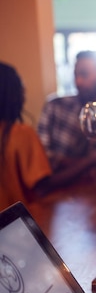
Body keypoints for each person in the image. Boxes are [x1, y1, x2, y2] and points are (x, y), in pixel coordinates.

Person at [37, 50, 96, 179]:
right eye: (75, 75)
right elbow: (41, 158)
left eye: (84, 74)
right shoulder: (55, 106)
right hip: (57, 192)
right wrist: (88, 162)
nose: (78, 82)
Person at [0, 62, 52, 209]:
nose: (24, 89)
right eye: (20, 84)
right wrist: (89, 162)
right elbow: (42, 185)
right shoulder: (21, 133)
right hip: (17, 227)